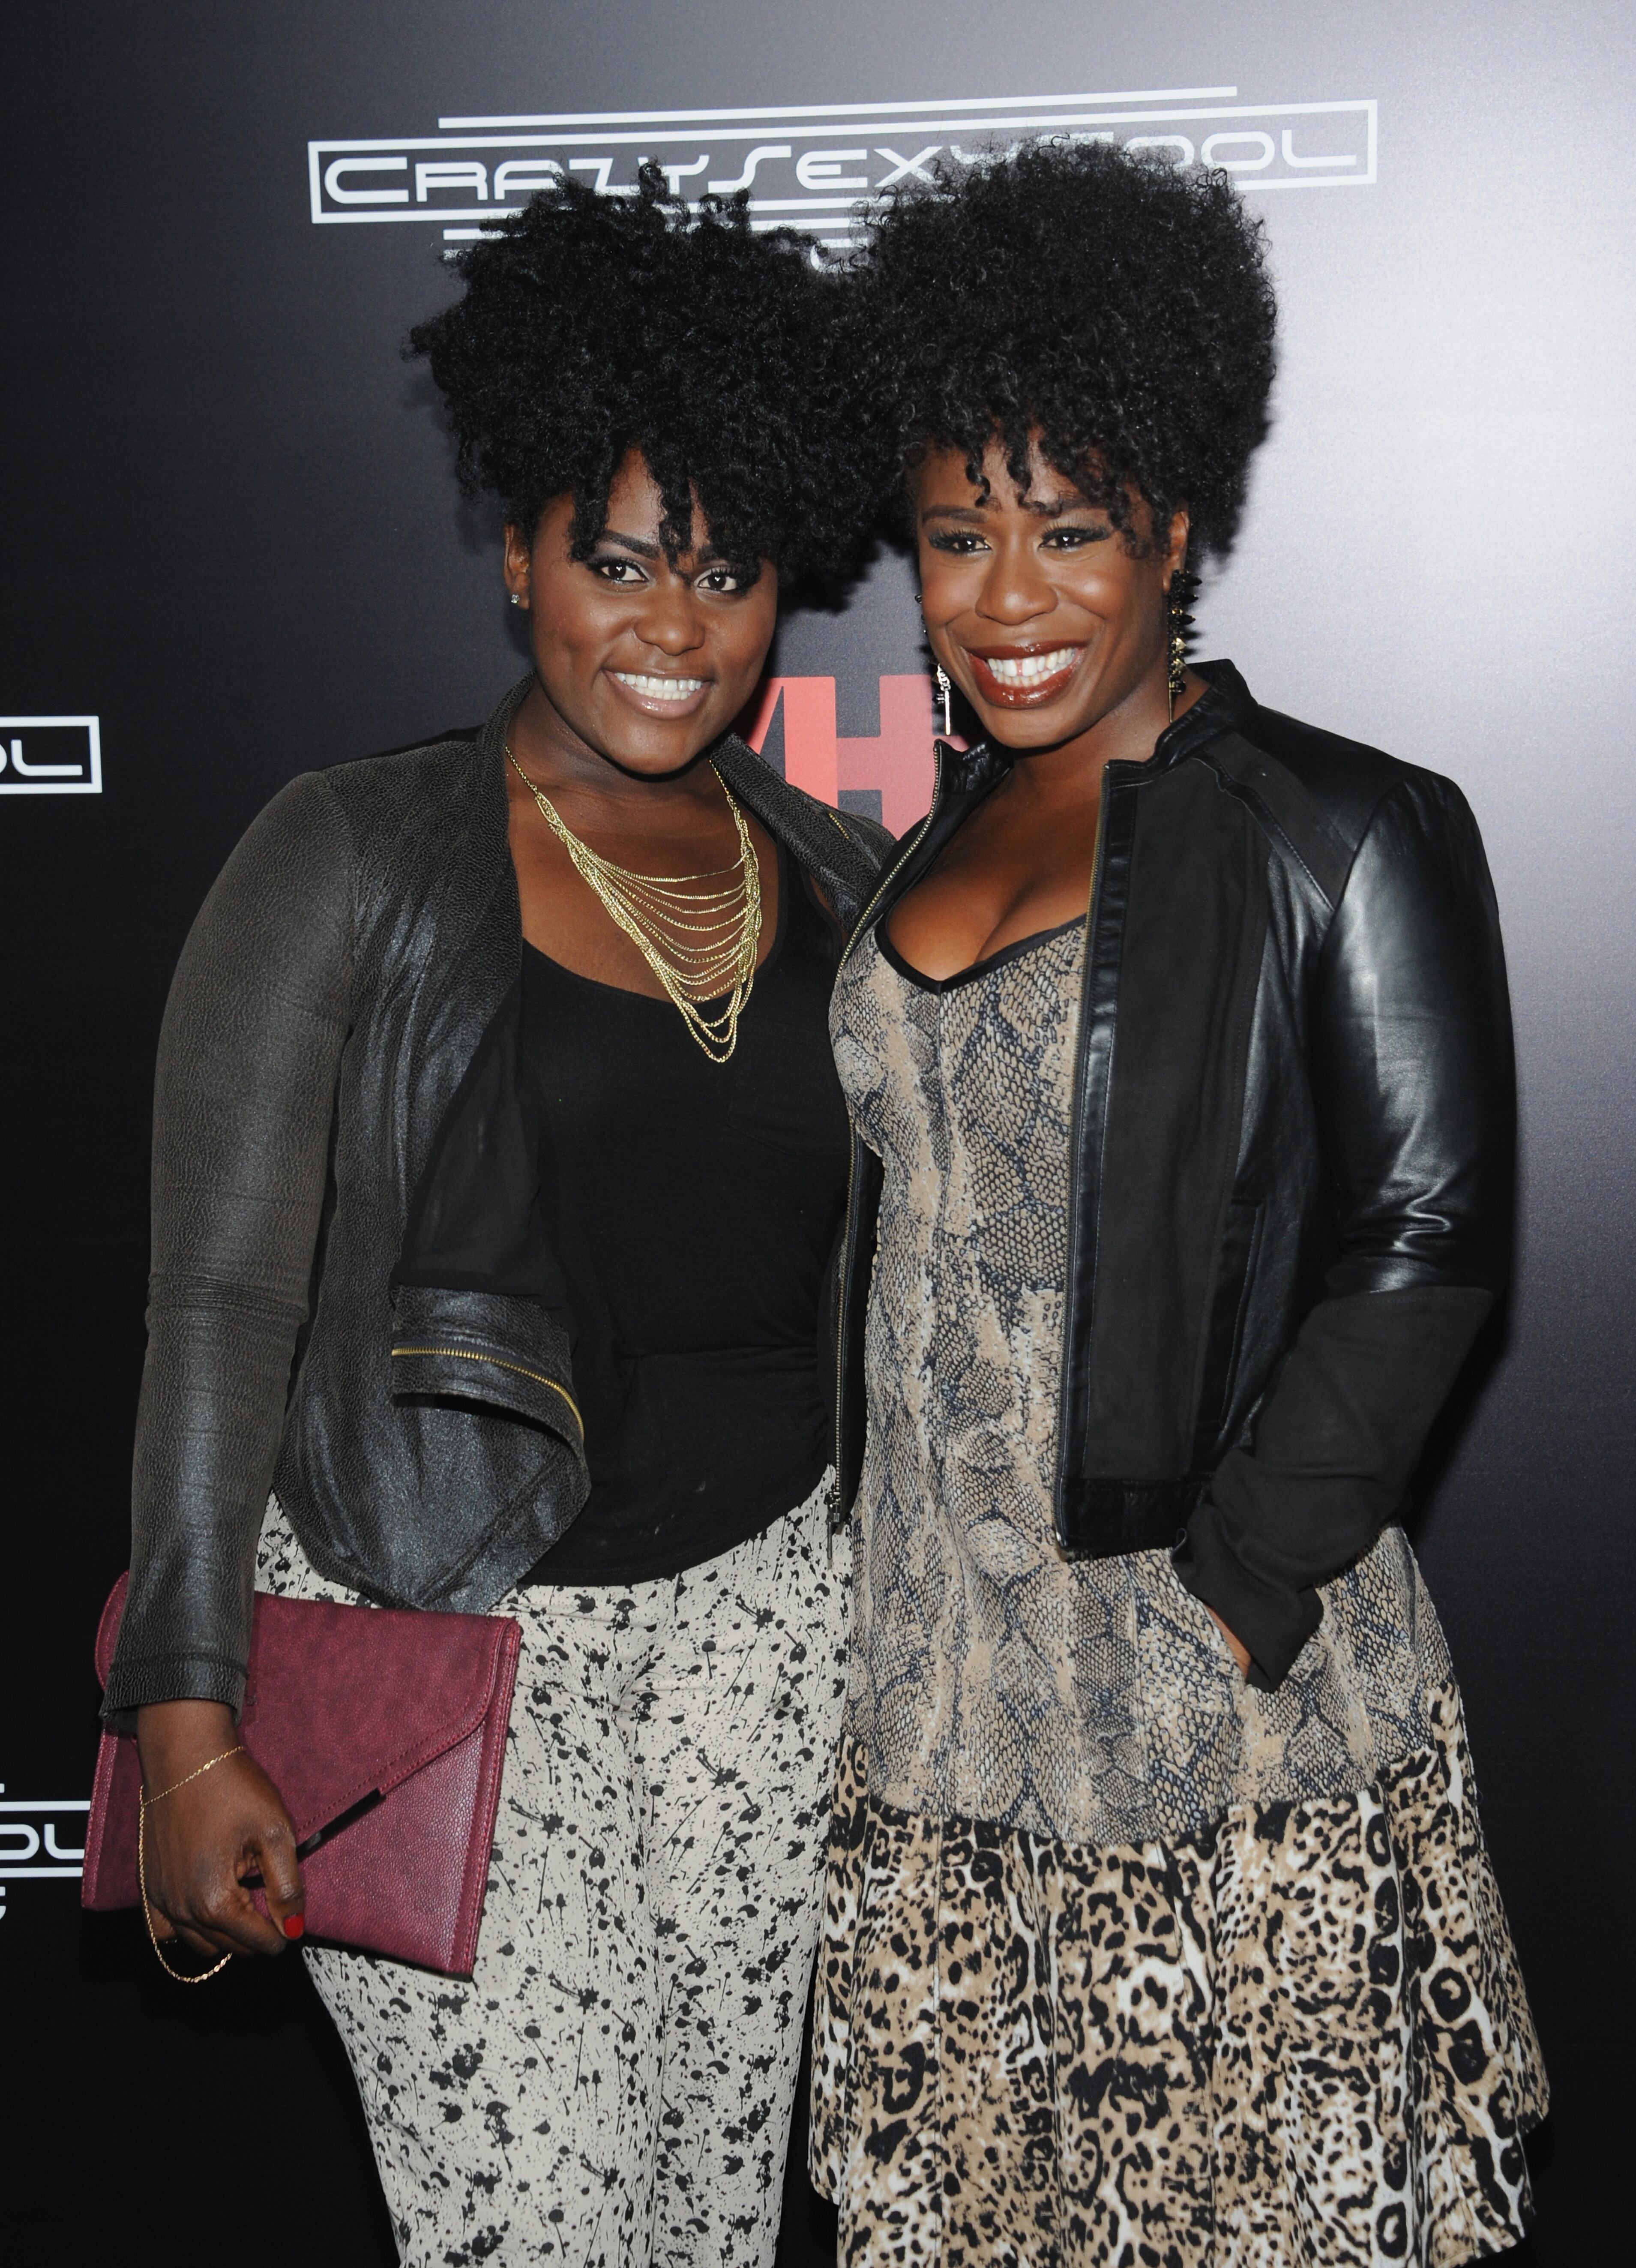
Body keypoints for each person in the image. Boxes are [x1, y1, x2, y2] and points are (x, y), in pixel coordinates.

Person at [102, 173, 889, 2268]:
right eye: (615, 559)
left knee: (707, 2230)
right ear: (522, 552)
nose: (671, 624)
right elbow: (224, 1296)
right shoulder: (350, 853)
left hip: (767, 1663)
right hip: (454, 1638)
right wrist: (181, 1719)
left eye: (724, 573)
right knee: (533, 2231)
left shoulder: (841, 878)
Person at [810, 143, 1546, 2266]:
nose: (1008, 596)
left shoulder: (1344, 828)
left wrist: (1236, 1588)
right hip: (934, 1723)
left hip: (1211, 1716)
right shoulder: (915, 856)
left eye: (1070, 529)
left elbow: (1430, 1244)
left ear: (1180, 529)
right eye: (959, 537)